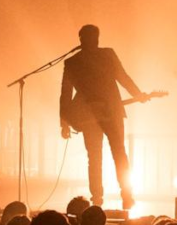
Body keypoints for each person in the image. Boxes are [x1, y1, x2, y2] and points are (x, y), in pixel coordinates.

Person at [60, 24, 148, 209]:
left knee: (95, 156)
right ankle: (126, 195)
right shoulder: (107, 55)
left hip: (88, 115)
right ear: (97, 38)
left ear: (80, 39)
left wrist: (65, 121)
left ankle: (97, 198)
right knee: (118, 153)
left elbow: (66, 94)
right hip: (111, 112)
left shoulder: (72, 62)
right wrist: (137, 94)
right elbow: (122, 77)